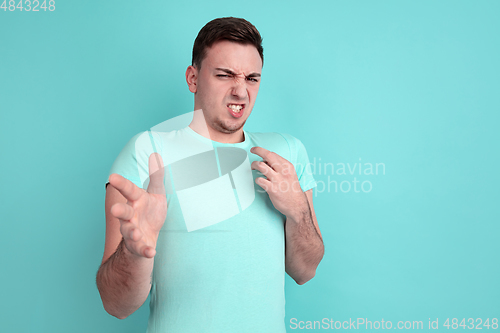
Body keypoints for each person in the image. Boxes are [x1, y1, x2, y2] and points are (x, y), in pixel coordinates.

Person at [96, 17, 324, 333]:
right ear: (193, 78)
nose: (240, 91)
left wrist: (298, 211)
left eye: (252, 78)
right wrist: (134, 251)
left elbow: (305, 271)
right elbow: (115, 305)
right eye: (224, 75)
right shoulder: (147, 152)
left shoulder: (286, 152)